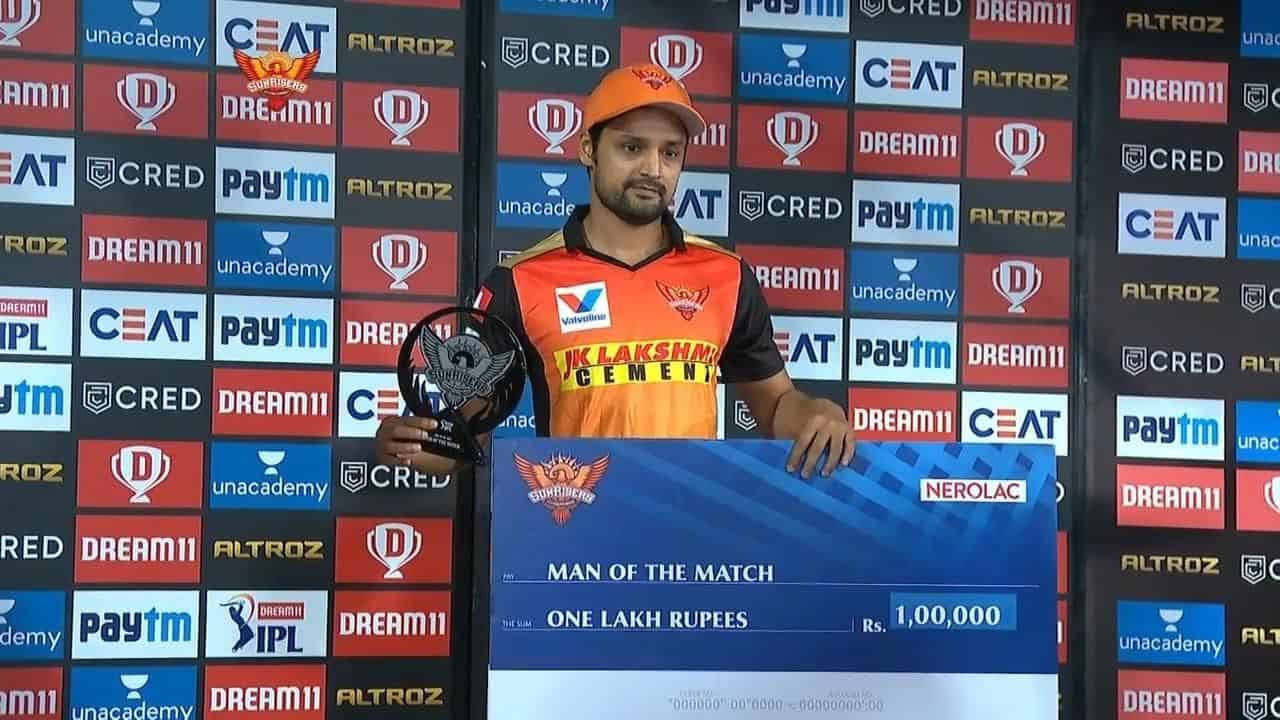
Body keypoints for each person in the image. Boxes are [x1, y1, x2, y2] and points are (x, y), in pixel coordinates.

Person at [376, 62, 856, 479]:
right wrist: (411, 442)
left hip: (695, 531)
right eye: (632, 148)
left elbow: (775, 407)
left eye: (670, 152)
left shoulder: (726, 275)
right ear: (588, 148)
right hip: (574, 527)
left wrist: (816, 412)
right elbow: (466, 435)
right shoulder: (519, 281)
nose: (653, 169)